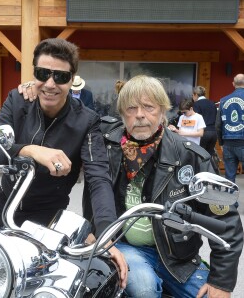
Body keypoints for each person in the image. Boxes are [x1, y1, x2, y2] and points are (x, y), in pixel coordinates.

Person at [0, 38, 127, 288]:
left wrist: (106, 238)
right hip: (9, 209)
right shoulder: (18, 101)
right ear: (33, 74)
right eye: (42, 73)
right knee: (6, 281)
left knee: (48, 283)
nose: (50, 83)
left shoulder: (87, 121)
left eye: (60, 76)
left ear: (72, 79)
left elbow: (98, 179)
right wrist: (32, 150)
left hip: (50, 216)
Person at [83, 75, 243, 298]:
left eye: (148, 107)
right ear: (121, 113)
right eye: (131, 108)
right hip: (124, 245)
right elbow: (70, 113)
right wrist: (34, 88)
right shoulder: (106, 145)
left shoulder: (190, 155)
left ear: (163, 111)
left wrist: (221, 281)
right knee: (144, 288)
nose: (140, 114)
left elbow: (227, 223)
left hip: (177, 258)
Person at [216, 73, 244, 184]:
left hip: (228, 142)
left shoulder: (223, 100)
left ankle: (231, 201)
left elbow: (218, 124)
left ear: (233, 84)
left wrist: (221, 143)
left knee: (229, 177)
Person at [192, 86, 218, 155]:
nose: (192, 97)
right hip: (213, 133)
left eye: (192, 95)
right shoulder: (212, 103)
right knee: (209, 156)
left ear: (195, 95)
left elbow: (195, 119)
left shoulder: (196, 104)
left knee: (200, 155)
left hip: (203, 133)